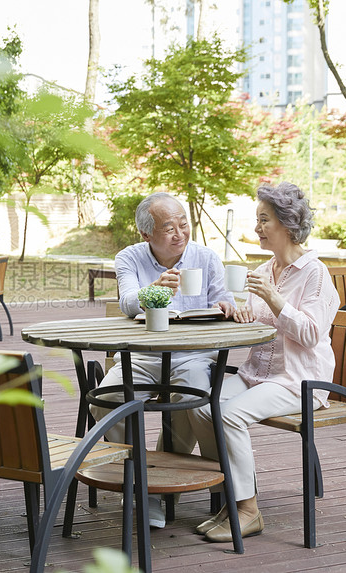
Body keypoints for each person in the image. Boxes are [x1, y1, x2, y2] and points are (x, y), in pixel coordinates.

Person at [188, 182, 340, 543]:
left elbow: (311, 333)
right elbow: (259, 322)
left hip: (299, 381)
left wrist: (274, 300)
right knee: (199, 404)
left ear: (287, 225)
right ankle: (230, 496)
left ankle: (248, 510)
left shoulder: (315, 273)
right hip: (258, 374)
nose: (256, 227)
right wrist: (234, 313)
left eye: (264, 219)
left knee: (228, 414)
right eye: (257, 219)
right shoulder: (266, 268)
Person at [89, 191, 235, 528]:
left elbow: (223, 298)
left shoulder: (206, 257)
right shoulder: (130, 257)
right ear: (146, 234)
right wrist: (153, 290)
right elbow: (127, 301)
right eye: (168, 228)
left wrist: (226, 306)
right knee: (108, 401)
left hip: (192, 358)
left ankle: (192, 487)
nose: (179, 233)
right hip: (142, 356)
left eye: (183, 225)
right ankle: (144, 489)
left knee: (193, 406)